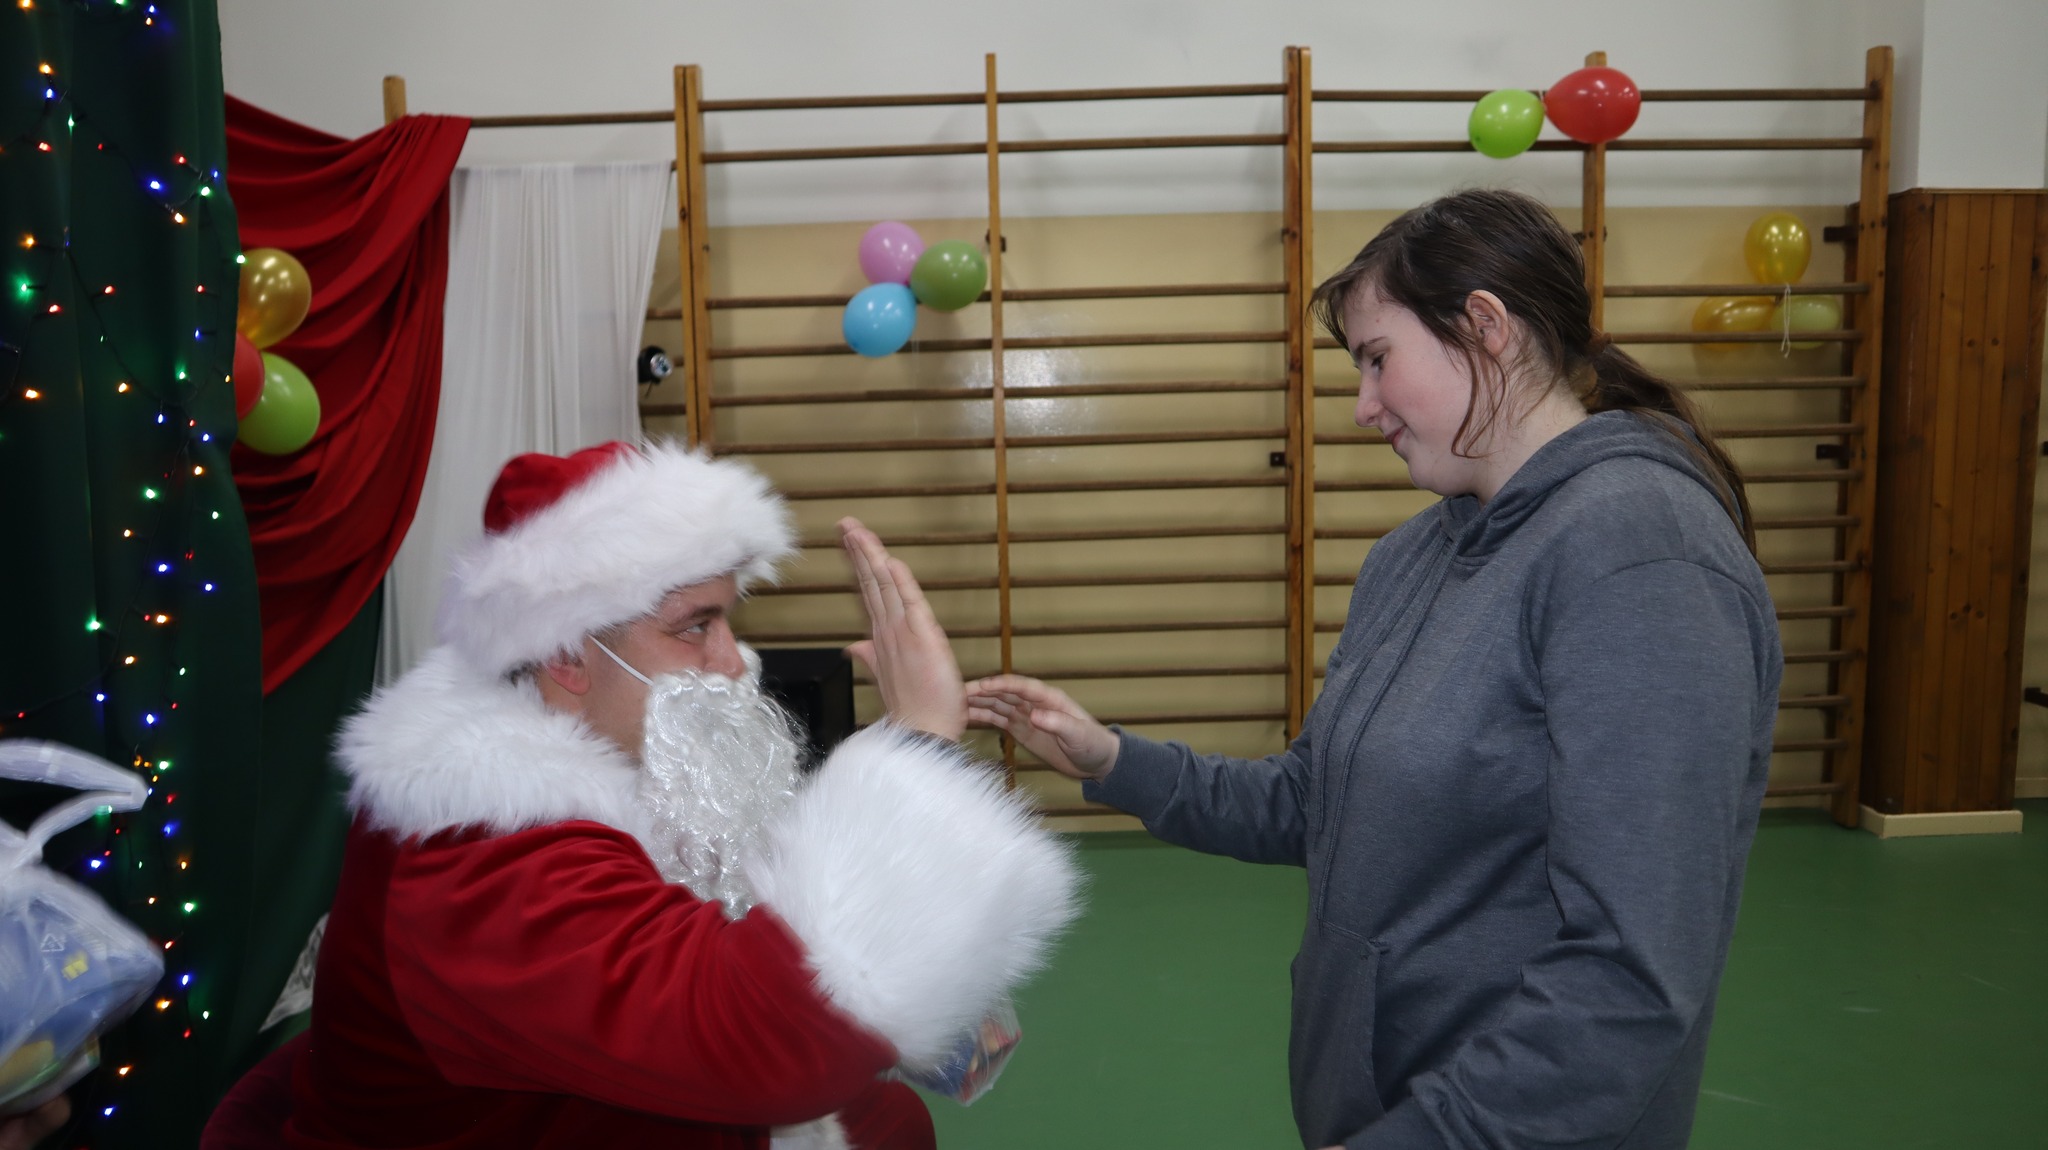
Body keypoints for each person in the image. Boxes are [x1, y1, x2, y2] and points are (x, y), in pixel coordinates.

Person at [967, 188, 1779, 1149]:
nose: (1362, 408)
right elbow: (1318, 802)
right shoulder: (1413, 556)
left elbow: (1630, 977)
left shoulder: (1641, 555)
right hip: (1377, 1099)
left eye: (1379, 359)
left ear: (1487, 328)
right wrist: (1110, 760)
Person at [285, 440, 1079, 1150]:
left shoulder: (610, 749)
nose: (733, 663)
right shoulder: (481, 856)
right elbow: (768, 1049)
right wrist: (918, 748)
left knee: (889, 1122)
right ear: (566, 654)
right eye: (695, 627)